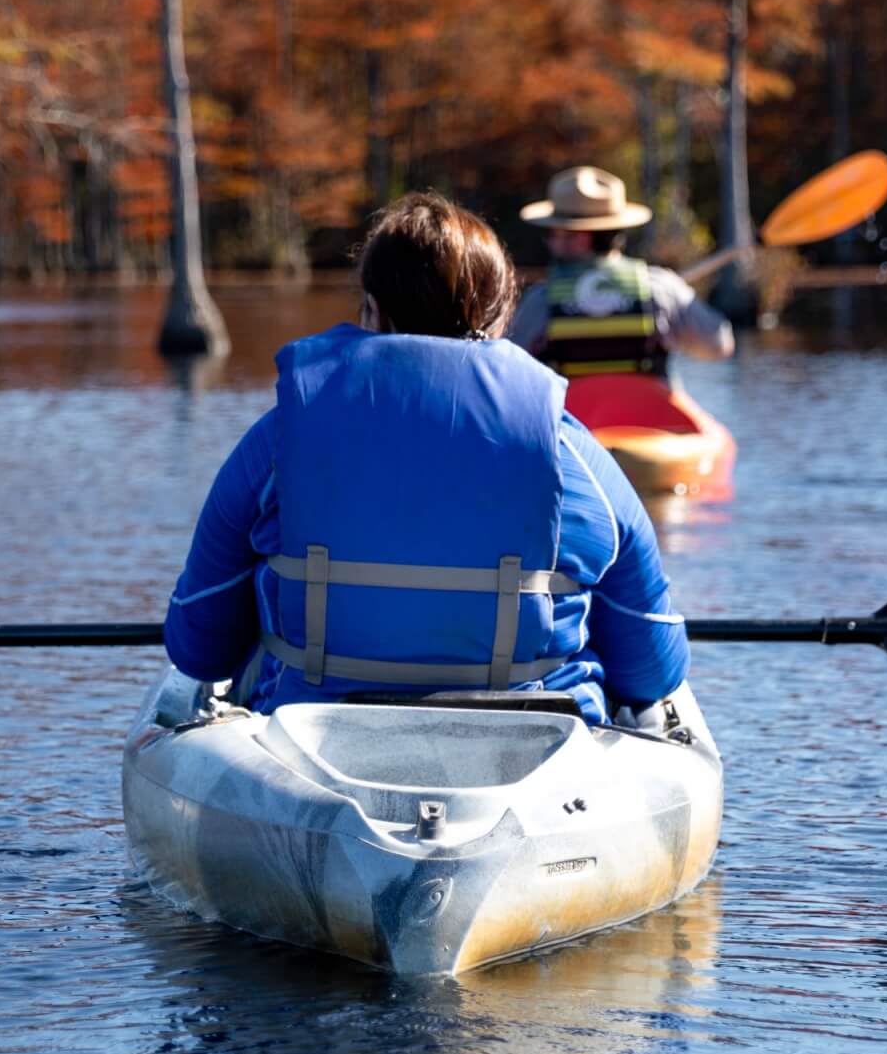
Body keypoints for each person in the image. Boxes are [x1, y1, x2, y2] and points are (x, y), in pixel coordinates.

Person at [161, 191, 688, 727]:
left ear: (371, 308)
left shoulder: (279, 443)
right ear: (501, 313)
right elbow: (652, 669)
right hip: (543, 738)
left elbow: (199, 645)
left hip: (307, 731)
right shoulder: (571, 453)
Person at [507, 166, 734, 378]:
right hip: (647, 417)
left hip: (575, 418)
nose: (549, 243)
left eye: (552, 234)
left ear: (580, 239)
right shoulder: (661, 287)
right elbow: (720, 346)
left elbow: (510, 371)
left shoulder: (541, 300)